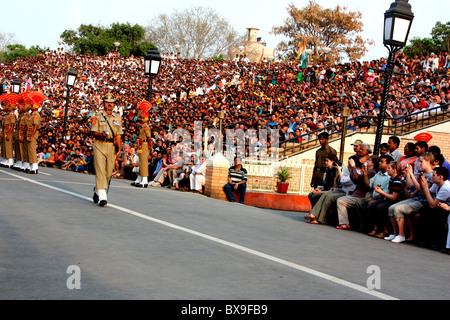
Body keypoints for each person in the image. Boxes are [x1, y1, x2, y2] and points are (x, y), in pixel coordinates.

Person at [387, 153, 435, 243]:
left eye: (421, 161)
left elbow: (421, 189)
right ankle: (396, 233)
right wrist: (409, 173)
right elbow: (409, 185)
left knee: (398, 209)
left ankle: (401, 235)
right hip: (416, 198)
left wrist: (412, 175)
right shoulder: (422, 173)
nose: (419, 163)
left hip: (424, 201)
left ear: (428, 162)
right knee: (391, 208)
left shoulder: (431, 175)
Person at [90, 93, 123, 207]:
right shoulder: (97, 116)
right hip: (99, 145)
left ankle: (97, 189)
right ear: (103, 103)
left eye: (112, 103)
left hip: (111, 147)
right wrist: (100, 134)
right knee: (100, 170)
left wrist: (119, 148)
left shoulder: (117, 117)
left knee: (108, 172)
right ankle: (102, 197)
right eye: (107, 103)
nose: (110, 105)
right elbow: (93, 132)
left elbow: (118, 134)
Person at [368, 160, 404, 241]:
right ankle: (376, 228)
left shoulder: (398, 180)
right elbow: (388, 192)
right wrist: (380, 191)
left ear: (394, 170)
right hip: (390, 198)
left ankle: (386, 230)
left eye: (389, 168)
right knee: (373, 205)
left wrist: (381, 192)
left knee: (382, 207)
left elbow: (394, 197)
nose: (388, 170)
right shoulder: (391, 179)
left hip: (398, 200)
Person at [418, 166, 450, 250]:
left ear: (440, 177)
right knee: (424, 209)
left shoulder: (446, 188)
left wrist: (425, 188)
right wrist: (422, 185)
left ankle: (438, 242)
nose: (432, 177)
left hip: (446, 209)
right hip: (439, 207)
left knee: (435, 213)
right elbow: (425, 195)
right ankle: (425, 239)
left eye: (434, 175)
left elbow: (433, 204)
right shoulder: (437, 184)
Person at [132, 100, 153, 188]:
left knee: (144, 162)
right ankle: (140, 178)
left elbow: (149, 138)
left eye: (143, 118)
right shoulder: (142, 127)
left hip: (144, 145)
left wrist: (151, 147)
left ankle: (144, 180)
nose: (141, 119)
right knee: (141, 162)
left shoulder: (146, 127)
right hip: (141, 145)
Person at [25, 96, 41, 174]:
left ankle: (34, 167)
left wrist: (31, 136)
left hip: (33, 133)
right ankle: (31, 166)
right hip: (30, 133)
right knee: (29, 150)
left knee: (32, 149)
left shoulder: (36, 115)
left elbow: (35, 126)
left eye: (32, 105)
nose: (30, 107)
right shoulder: (32, 114)